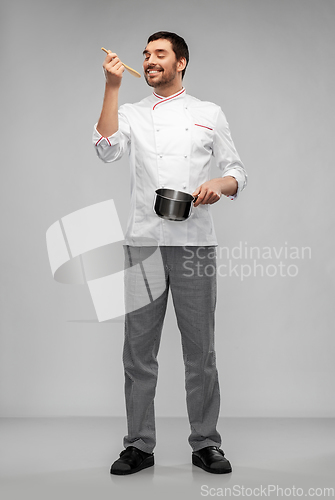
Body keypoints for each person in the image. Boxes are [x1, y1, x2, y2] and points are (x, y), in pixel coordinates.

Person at [92, 31, 247, 475]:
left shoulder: (208, 113)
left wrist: (219, 185)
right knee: (138, 352)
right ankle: (139, 444)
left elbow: (237, 171)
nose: (150, 59)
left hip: (195, 242)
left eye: (159, 54)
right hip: (143, 243)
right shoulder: (132, 113)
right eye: (146, 54)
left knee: (201, 352)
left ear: (181, 63)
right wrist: (112, 86)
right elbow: (105, 150)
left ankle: (206, 443)